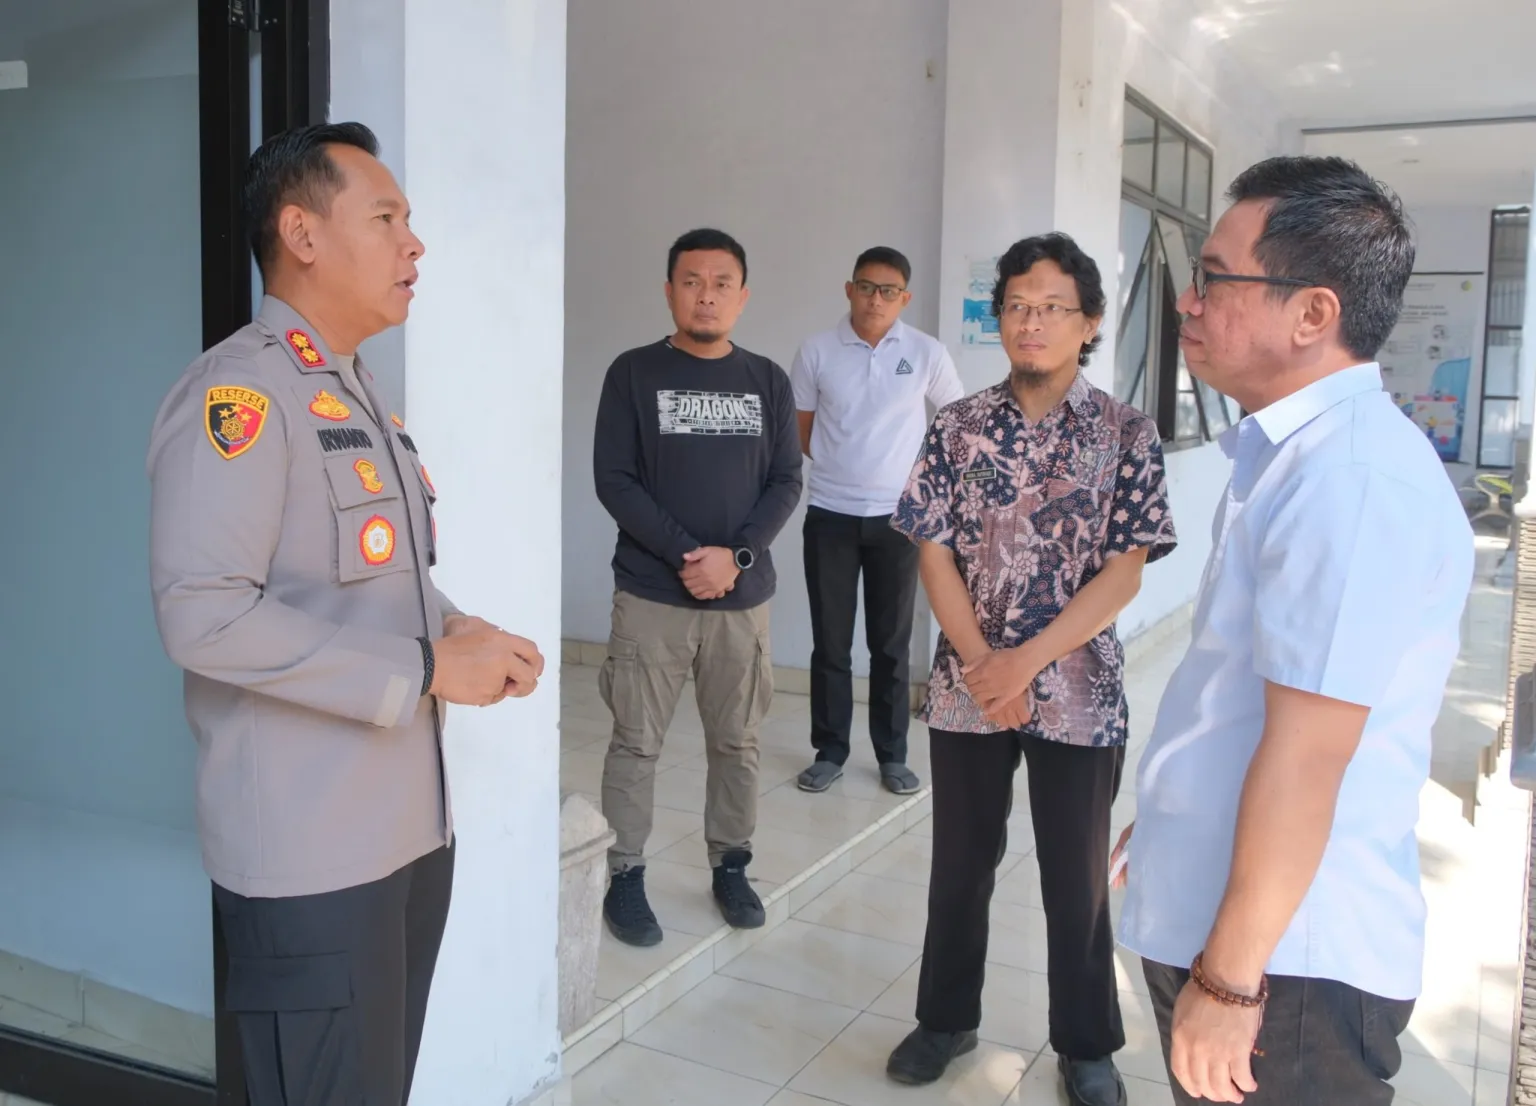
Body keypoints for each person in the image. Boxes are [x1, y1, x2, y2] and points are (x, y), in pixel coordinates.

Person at [146, 122, 545, 1105]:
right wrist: (420, 668)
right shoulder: (242, 392)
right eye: (387, 218)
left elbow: (376, 582)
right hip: (311, 860)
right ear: (304, 234)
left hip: (402, 837)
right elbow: (202, 613)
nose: (415, 244)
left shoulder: (355, 390)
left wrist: (460, 632)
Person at [1116, 156, 1476, 1105]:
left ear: (1313, 313)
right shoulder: (1291, 453)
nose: (1187, 303)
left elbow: (1310, 756)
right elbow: (1245, 692)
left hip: (1291, 969)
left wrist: (1232, 982)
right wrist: (1172, 820)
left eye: (1215, 278)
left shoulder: (1352, 481)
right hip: (1242, 920)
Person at [887, 233, 1176, 1105]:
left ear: (1089, 323)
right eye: (1016, 305)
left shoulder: (1126, 433)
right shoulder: (958, 426)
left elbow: (1125, 569)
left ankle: (1085, 1042)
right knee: (960, 863)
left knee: (1076, 876)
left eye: (1052, 307)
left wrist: (1025, 663)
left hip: (1079, 694)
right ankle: (946, 1018)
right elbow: (930, 550)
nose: (1031, 321)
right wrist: (984, 663)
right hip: (968, 689)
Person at [593, 228, 802, 947]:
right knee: (634, 743)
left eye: (721, 282)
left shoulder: (769, 380)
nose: (706, 294)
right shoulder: (633, 373)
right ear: (669, 290)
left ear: (742, 296)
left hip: (742, 604)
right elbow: (613, 480)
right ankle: (622, 874)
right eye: (691, 280)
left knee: (737, 744)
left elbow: (785, 481)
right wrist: (691, 555)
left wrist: (734, 558)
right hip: (653, 596)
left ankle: (731, 865)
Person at [791, 247, 964, 797]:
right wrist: (846, 473)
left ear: (904, 299)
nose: (876, 299)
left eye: (888, 291)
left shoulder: (926, 352)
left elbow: (957, 423)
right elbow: (802, 429)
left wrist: (921, 487)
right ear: (849, 289)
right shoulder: (817, 350)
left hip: (900, 521)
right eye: (866, 287)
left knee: (889, 643)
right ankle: (830, 750)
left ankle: (892, 755)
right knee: (831, 642)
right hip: (830, 515)